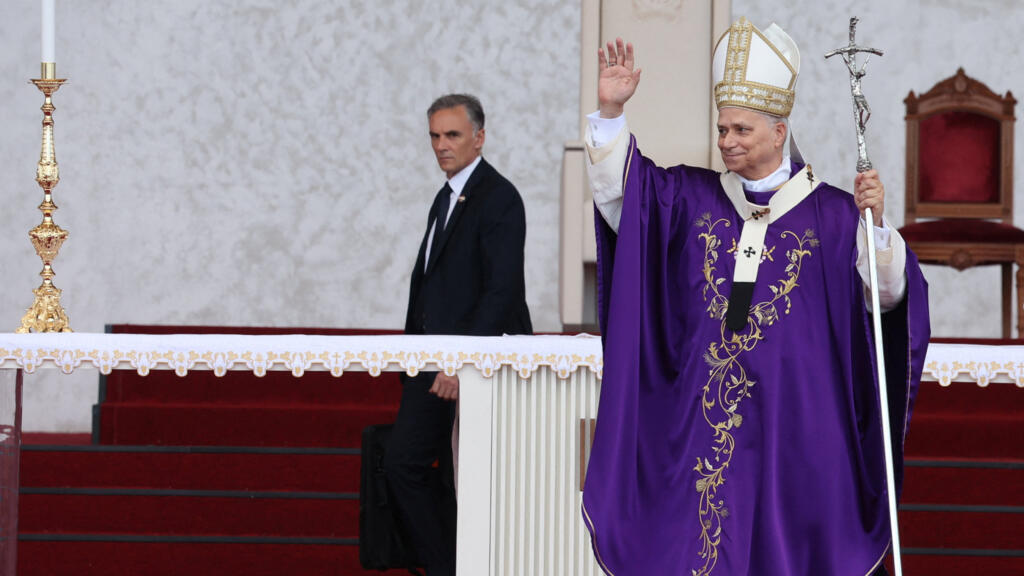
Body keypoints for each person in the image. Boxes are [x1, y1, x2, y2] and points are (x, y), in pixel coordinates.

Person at [580, 19, 930, 576]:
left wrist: (878, 228)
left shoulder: (837, 215)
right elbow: (627, 197)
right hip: (704, 428)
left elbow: (887, 300)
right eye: (722, 129)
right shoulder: (690, 198)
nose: (726, 142)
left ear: (778, 130)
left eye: (741, 129)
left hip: (799, 434)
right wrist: (612, 113)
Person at [383, 93, 532, 576]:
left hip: (463, 365)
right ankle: (453, 565)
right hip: (430, 362)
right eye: (434, 136)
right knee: (425, 472)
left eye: (452, 135)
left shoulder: (499, 196)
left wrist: (460, 361)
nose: (441, 146)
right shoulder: (446, 196)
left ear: (479, 138)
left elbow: (502, 291)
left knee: (421, 469)